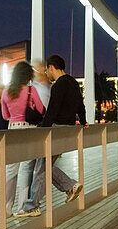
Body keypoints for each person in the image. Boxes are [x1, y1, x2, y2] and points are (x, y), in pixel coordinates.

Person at [18, 55, 83, 215]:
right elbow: (80, 105)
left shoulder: (58, 86)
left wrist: (43, 129)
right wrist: (84, 121)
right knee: (45, 166)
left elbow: (52, 111)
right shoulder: (74, 83)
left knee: (41, 167)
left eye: (48, 69)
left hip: (55, 129)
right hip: (68, 129)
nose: (47, 73)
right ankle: (69, 187)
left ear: (52, 67)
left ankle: (31, 206)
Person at [1, 61, 42, 214]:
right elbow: (41, 109)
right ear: (28, 75)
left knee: (11, 170)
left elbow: (5, 116)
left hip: (12, 130)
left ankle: (5, 207)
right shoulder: (31, 91)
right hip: (28, 130)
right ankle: (22, 207)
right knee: (26, 169)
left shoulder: (6, 92)